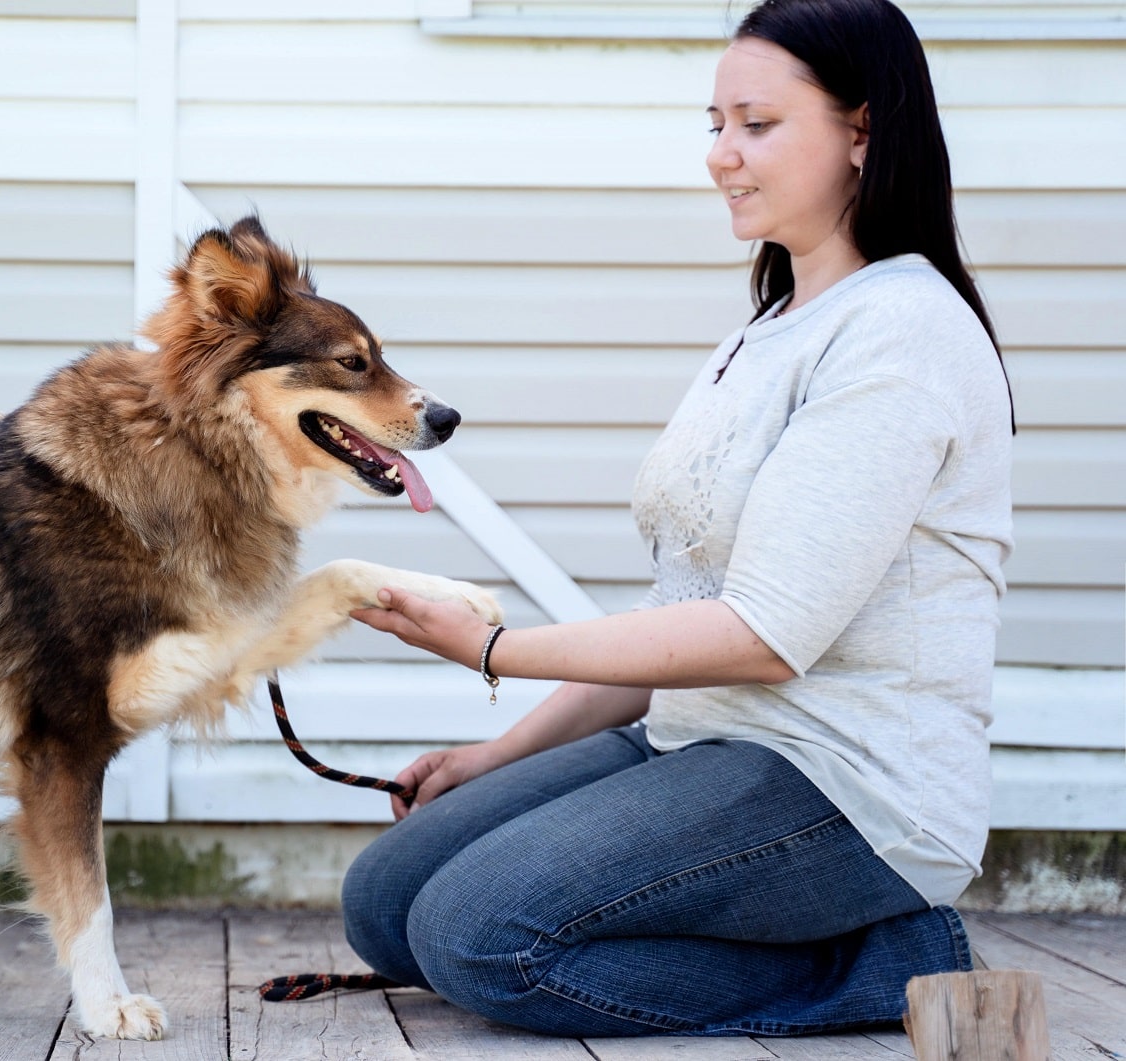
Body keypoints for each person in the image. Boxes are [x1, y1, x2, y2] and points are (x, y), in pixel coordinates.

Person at [341, 0, 1015, 1037]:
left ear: (861, 132)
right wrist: (497, 754)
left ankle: (888, 958)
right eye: (714, 124)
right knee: (385, 903)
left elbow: (759, 636)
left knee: (478, 937)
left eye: (754, 123)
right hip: (699, 736)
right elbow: (682, 613)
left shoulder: (901, 335)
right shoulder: (770, 327)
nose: (719, 155)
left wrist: (491, 648)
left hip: (845, 782)